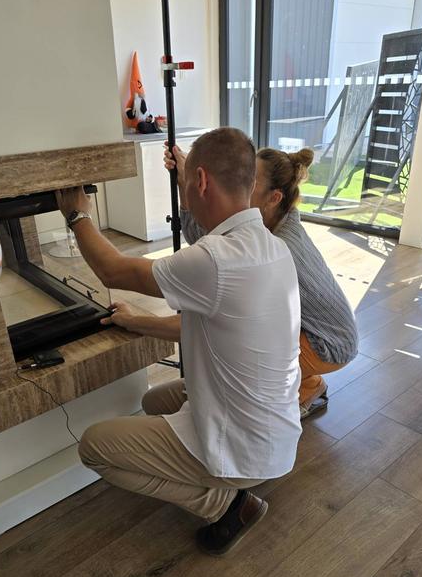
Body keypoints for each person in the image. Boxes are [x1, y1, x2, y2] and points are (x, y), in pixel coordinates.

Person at [56, 127, 302, 555]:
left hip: (247, 447)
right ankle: (224, 481)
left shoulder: (215, 260)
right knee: (155, 401)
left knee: (94, 447)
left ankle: (225, 503)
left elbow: (113, 270)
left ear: (200, 180)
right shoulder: (271, 246)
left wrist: (78, 215)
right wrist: (135, 323)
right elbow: (201, 325)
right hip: (276, 431)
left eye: (187, 178)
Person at [131, 143, 357, 418]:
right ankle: (308, 384)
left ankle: (300, 391)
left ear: (274, 198)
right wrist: (185, 182)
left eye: (249, 182)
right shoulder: (277, 219)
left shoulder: (275, 246)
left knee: (239, 351)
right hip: (322, 330)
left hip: (328, 345)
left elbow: (209, 260)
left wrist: (135, 321)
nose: (238, 184)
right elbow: (203, 236)